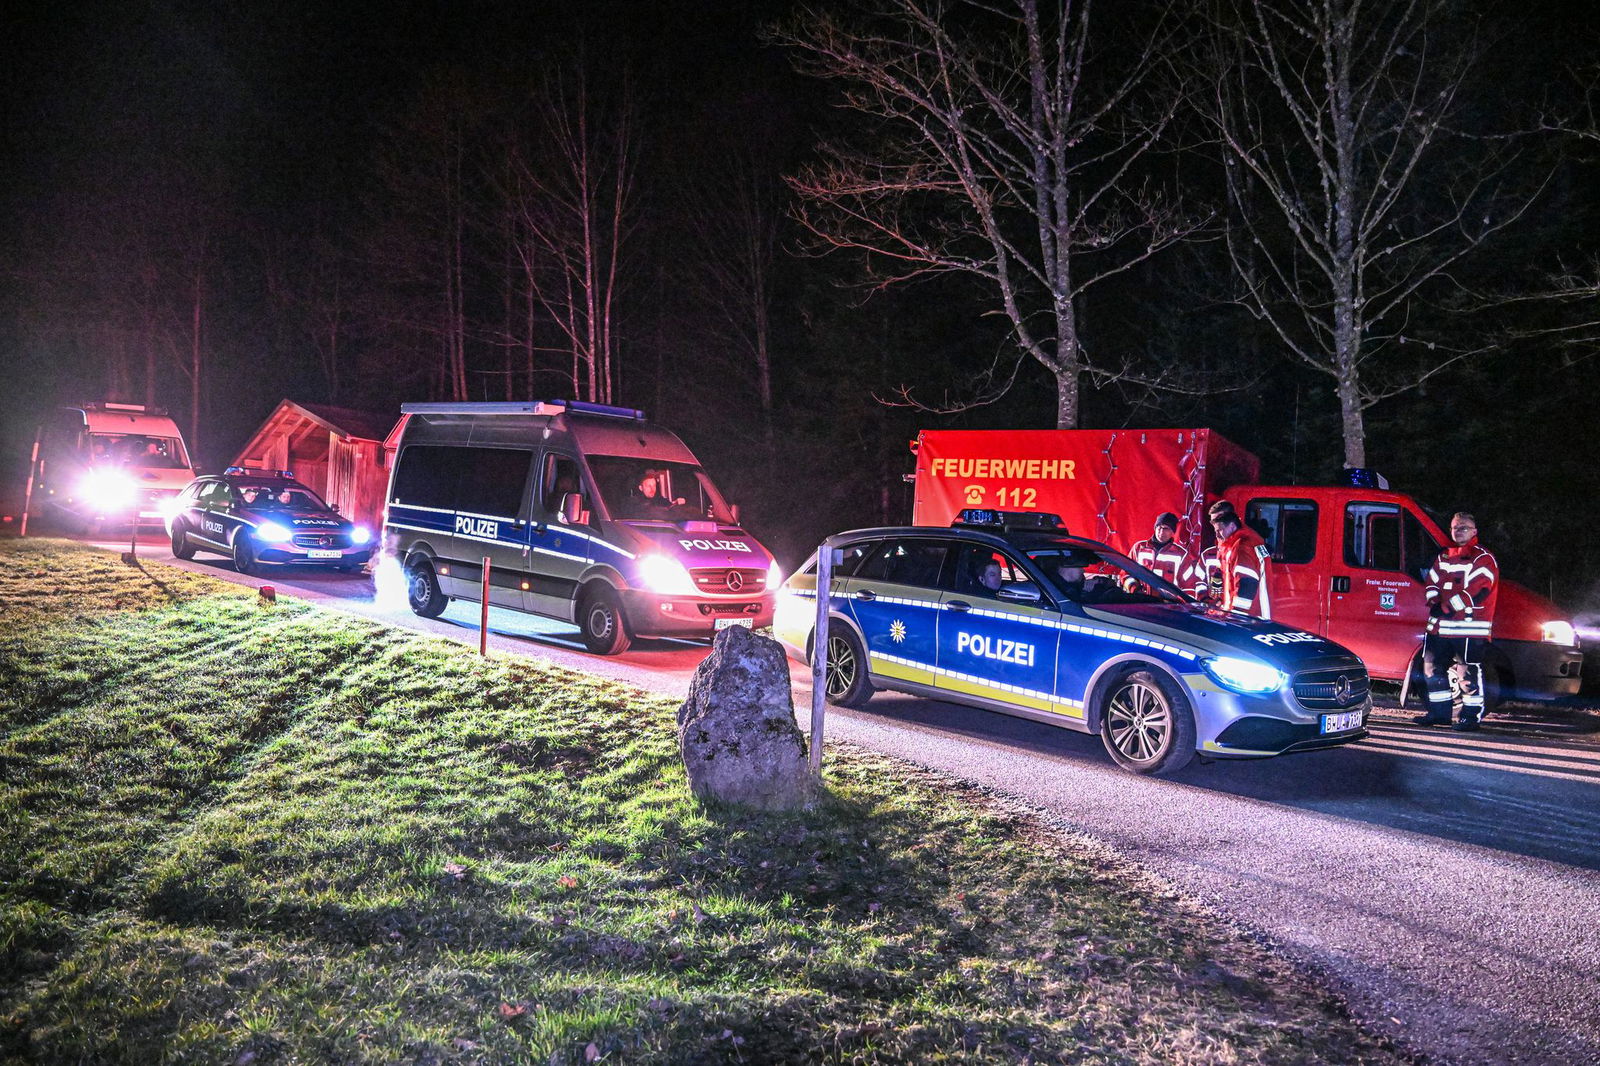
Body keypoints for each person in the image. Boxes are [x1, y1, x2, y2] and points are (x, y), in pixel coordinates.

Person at [1413, 512, 1499, 732]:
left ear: (1474, 531)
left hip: (1468, 628)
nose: (1458, 531)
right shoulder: (1444, 557)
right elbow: (1432, 581)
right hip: (1440, 627)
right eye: (1454, 528)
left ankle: (1470, 718)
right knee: (1432, 668)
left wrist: (1446, 607)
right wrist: (1433, 599)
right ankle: (1439, 714)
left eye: (1463, 527)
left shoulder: (1483, 558)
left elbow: (1479, 589)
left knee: (1467, 673)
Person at [1207, 500, 1273, 619]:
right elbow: (1222, 571)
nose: (1215, 532)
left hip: (1252, 616)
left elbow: (1247, 584)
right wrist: (1217, 596)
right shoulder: (1228, 542)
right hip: (1238, 612)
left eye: (1217, 521)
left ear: (1230, 520)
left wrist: (1238, 615)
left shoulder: (1244, 544)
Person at [1125, 511, 1193, 592]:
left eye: (1166, 528)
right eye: (1159, 527)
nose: (1161, 532)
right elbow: (1126, 573)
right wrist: (1134, 589)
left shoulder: (1182, 555)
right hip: (1141, 601)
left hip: (1168, 603)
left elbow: (1189, 585)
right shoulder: (1138, 548)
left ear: (1173, 532)